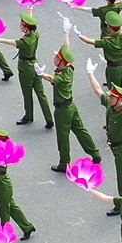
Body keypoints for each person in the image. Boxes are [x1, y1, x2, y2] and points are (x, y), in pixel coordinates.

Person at [47, 37, 101, 172]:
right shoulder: (69, 68)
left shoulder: (62, 77)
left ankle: (64, 163)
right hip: (71, 107)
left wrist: (41, 74)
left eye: (57, 57)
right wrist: (66, 34)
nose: (54, 58)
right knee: (80, 131)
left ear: (62, 62)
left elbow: (51, 78)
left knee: (63, 137)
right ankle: (95, 154)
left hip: (62, 111)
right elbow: (67, 49)